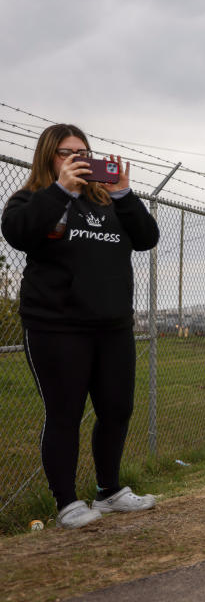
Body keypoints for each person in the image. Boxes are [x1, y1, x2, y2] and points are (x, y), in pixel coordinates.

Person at [1, 124, 160, 529]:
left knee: (117, 409)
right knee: (64, 413)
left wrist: (124, 193)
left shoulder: (108, 202)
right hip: (56, 327)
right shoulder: (31, 199)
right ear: (48, 158)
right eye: (66, 153)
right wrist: (63, 191)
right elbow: (18, 234)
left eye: (83, 152)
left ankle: (109, 492)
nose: (77, 159)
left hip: (112, 327)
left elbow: (146, 237)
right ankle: (67, 503)